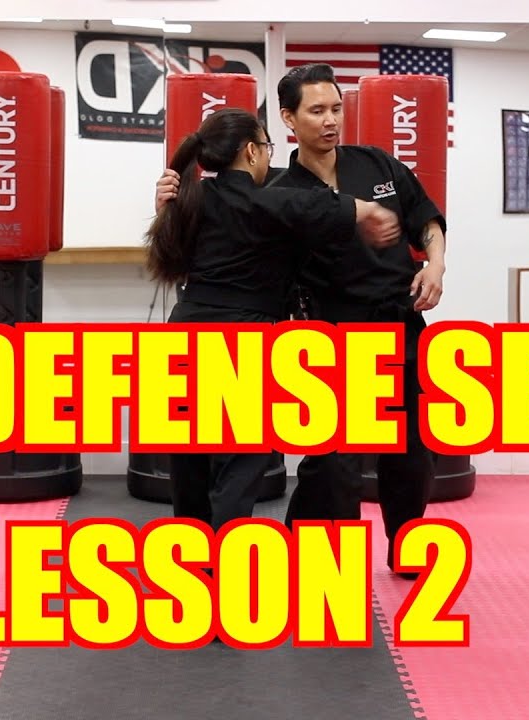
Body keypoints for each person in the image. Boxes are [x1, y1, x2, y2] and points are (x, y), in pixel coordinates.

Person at [155, 64, 448, 578]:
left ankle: (405, 546)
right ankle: (314, 559)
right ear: (288, 119)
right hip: (329, 336)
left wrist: (436, 265)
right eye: (317, 111)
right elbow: (272, 220)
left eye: (336, 108)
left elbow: (425, 218)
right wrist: (173, 200)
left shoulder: (376, 162)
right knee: (330, 461)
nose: (331, 120)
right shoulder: (277, 189)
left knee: (411, 448)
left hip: (399, 324)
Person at [145, 107, 404, 536]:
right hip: (242, 338)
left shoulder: (192, 199)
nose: (269, 156)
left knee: (189, 459)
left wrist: (164, 205)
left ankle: (191, 558)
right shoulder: (267, 203)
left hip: (182, 335)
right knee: (240, 462)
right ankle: (228, 558)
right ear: (251, 151)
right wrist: (372, 211)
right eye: (266, 147)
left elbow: (172, 253)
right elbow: (319, 205)